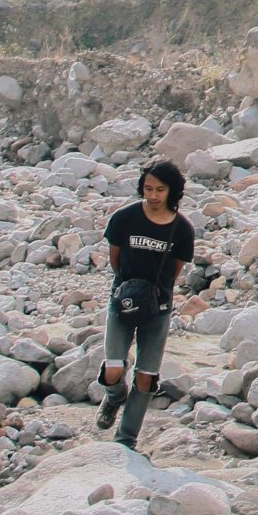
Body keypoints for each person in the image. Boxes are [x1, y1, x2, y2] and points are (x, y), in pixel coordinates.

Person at [98, 160, 195, 453]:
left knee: (146, 375)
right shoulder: (124, 218)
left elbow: (175, 270)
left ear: (172, 191)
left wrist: (156, 292)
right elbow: (115, 259)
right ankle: (114, 396)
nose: (153, 195)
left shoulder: (182, 229)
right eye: (148, 188)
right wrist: (128, 286)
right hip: (123, 300)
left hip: (158, 307)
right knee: (114, 367)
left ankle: (126, 439)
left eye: (160, 190)